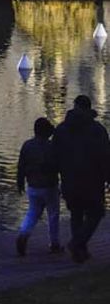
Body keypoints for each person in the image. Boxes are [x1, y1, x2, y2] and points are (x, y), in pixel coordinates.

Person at [52, 95, 110, 263]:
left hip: (69, 178)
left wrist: (56, 176)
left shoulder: (62, 129)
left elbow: (54, 155)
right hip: (92, 179)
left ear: (75, 106)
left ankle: (79, 251)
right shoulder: (98, 130)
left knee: (76, 213)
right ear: (89, 108)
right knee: (96, 213)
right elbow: (105, 156)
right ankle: (77, 243)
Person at [16, 117, 62, 256]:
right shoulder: (52, 147)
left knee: (32, 212)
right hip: (49, 185)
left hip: (32, 185)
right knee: (53, 215)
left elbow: (21, 166)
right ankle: (54, 243)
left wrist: (20, 182)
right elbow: (58, 166)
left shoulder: (27, 145)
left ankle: (24, 233)